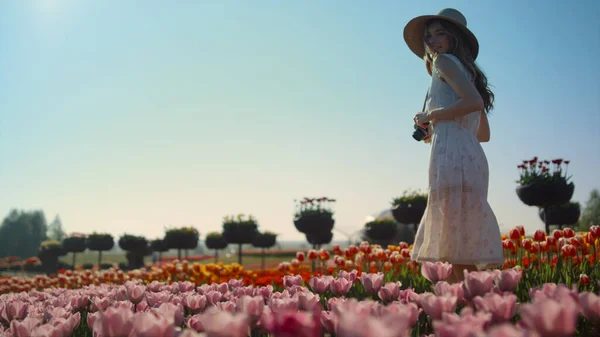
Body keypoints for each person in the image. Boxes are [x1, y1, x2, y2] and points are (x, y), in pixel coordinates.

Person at [403, 8, 503, 282]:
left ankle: (461, 307)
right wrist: (434, 127)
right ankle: (471, 305)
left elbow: (474, 103)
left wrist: (432, 115)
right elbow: (483, 134)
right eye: (428, 35)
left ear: (454, 37)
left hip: (452, 157)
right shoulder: (465, 72)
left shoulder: (444, 63)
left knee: (452, 231)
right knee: (461, 234)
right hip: (468, 152)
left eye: (440, 33)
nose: (433, 40)